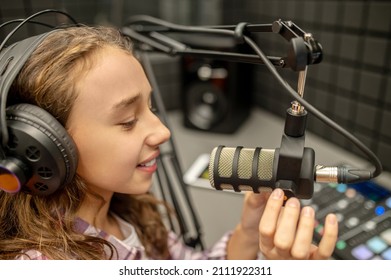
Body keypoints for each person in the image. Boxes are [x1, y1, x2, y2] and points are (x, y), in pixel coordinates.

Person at [0, 25, 338, 260]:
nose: (163, 130)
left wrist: (248, 231)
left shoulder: (130, 212)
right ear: (47, 145)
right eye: (128, 121)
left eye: (151, 107)